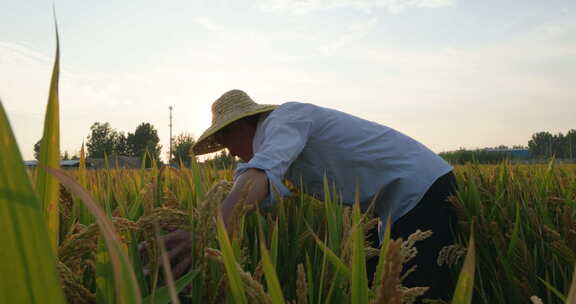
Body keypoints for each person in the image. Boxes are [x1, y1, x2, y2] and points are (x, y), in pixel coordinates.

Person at [172, 89, 458, 301]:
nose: (229, 151)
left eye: (226, 139)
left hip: (420, 187)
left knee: (416, 290)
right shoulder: (283, 142)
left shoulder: (285, 119)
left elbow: (257, 175)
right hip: (389, 206)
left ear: (242, 125)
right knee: (373, 283)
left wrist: (208, 233)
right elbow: (256, 188)